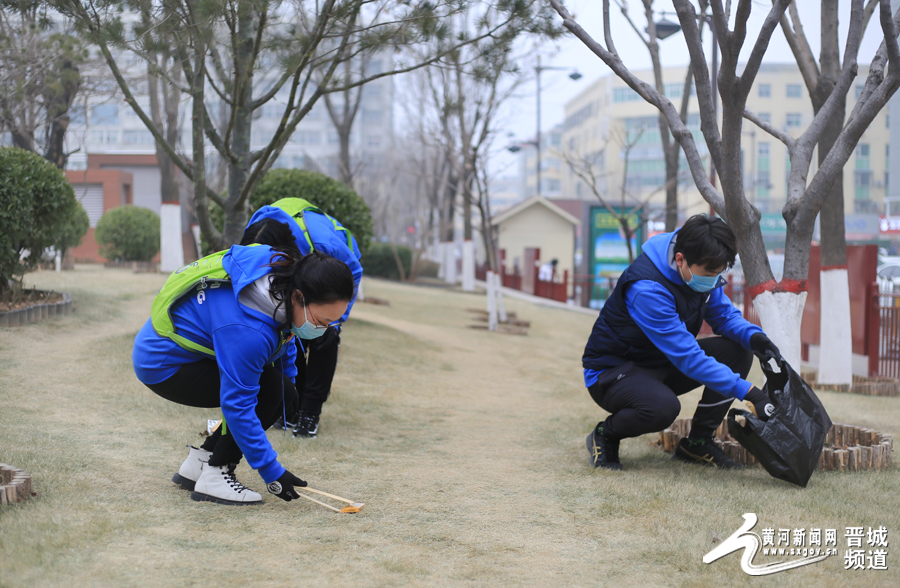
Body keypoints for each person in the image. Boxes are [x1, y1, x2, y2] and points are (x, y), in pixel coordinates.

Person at [132, 242, 354, 505]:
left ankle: (200, 464)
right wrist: (272, 472)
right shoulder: (250, 332)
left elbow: (286, 336)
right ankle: (216, 476)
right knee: (268, 391)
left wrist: (289, 390)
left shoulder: (279, 277)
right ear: (298, 297)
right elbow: (238, 406)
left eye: (332, 323)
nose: (323, 330)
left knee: (278, 389)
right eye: (320, 322)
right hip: (164, 364)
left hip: (176, 350)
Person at [582, 214, 781, 471]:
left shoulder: (699, 260)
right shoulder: (647, 289)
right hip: (613, 373)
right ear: (680, 260)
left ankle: (697, 443)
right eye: (710, 273)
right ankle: (605, 435)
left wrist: (757, 339)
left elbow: (723, 315)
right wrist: (751, 393)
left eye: (719, 273)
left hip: (661, 362)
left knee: (737, 351)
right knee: (662, 408)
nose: (714, 280)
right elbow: (688, 358)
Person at [242, 197, 363, 438]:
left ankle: (310, 411)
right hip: (297, 275)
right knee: (289, 335)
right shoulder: (256, 235)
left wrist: (335, 320)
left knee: (324, 338)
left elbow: (354, 273)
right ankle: (292, 408)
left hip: (334, 272)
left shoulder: (323, 242)